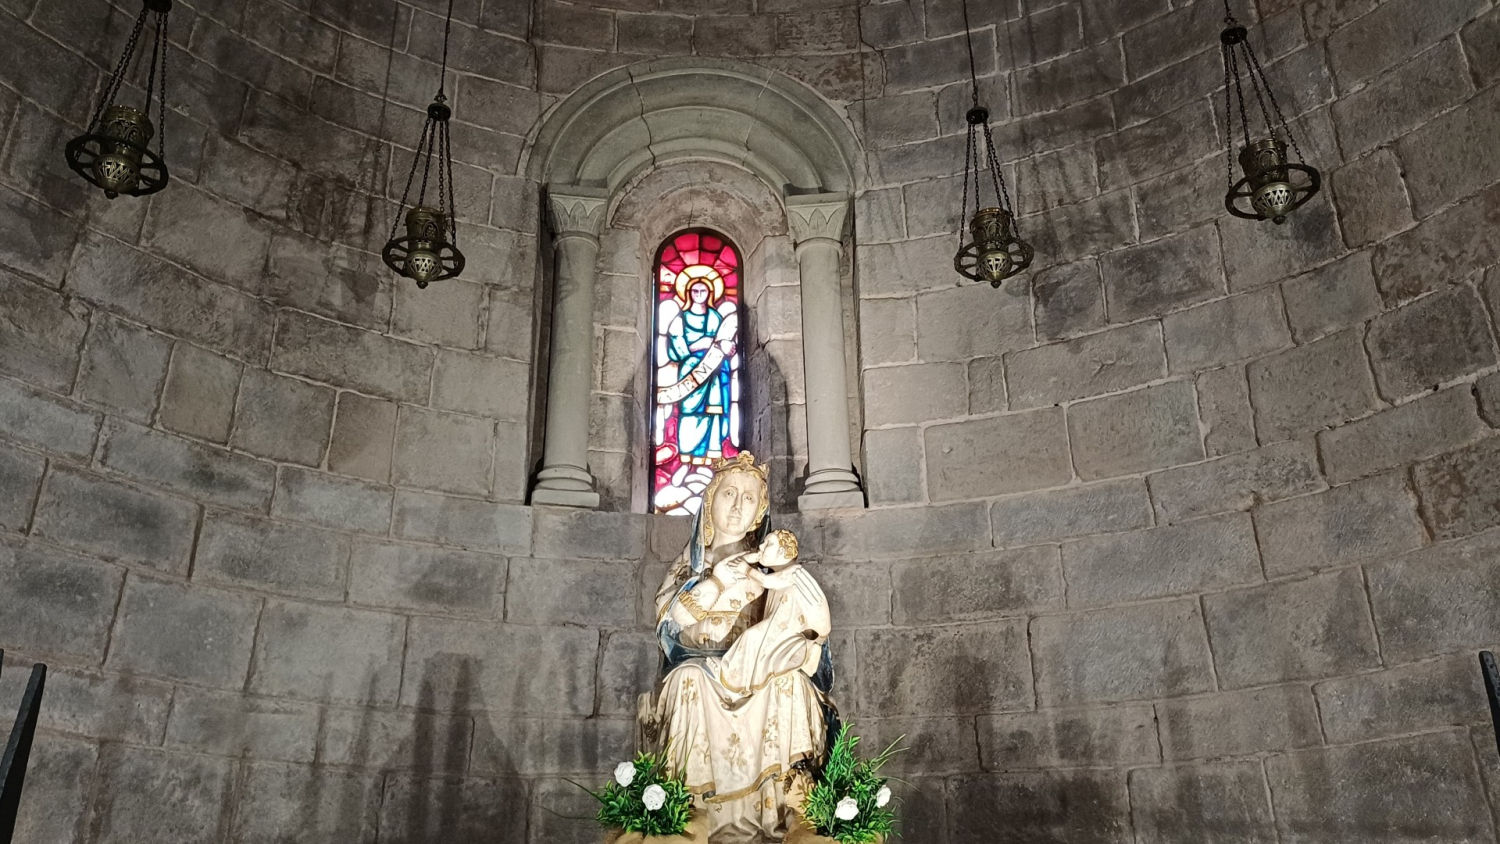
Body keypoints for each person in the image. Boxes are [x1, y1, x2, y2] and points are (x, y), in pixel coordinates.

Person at [642, 454, 834, 843]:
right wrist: (714, 581)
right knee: (689, 681)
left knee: (792, 683)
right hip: (700, 665)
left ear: (759, 510)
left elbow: (803, 625)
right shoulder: (689, 567)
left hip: (757, 670)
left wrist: (808, 627)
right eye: (728, 494)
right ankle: (689, 812)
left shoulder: (769, 569)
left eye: (748, 498)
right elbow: (669, 623)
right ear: (710, 501)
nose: (736, 506)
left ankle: (791, 808)